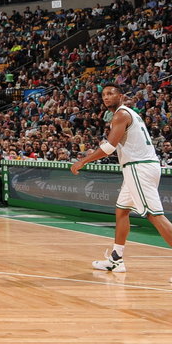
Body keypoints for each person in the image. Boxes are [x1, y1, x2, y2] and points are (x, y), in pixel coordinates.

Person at [71, 83, 172, 278]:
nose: (106, 97)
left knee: (154, 215)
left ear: (121, 96)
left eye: (111, 93)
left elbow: (109, 147)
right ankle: (116, 259)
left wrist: (82, 161)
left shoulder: (121, 114)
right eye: (104, 95)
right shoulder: (129, 114)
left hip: (138, 168)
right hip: (139, 167)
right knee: (122, 210)